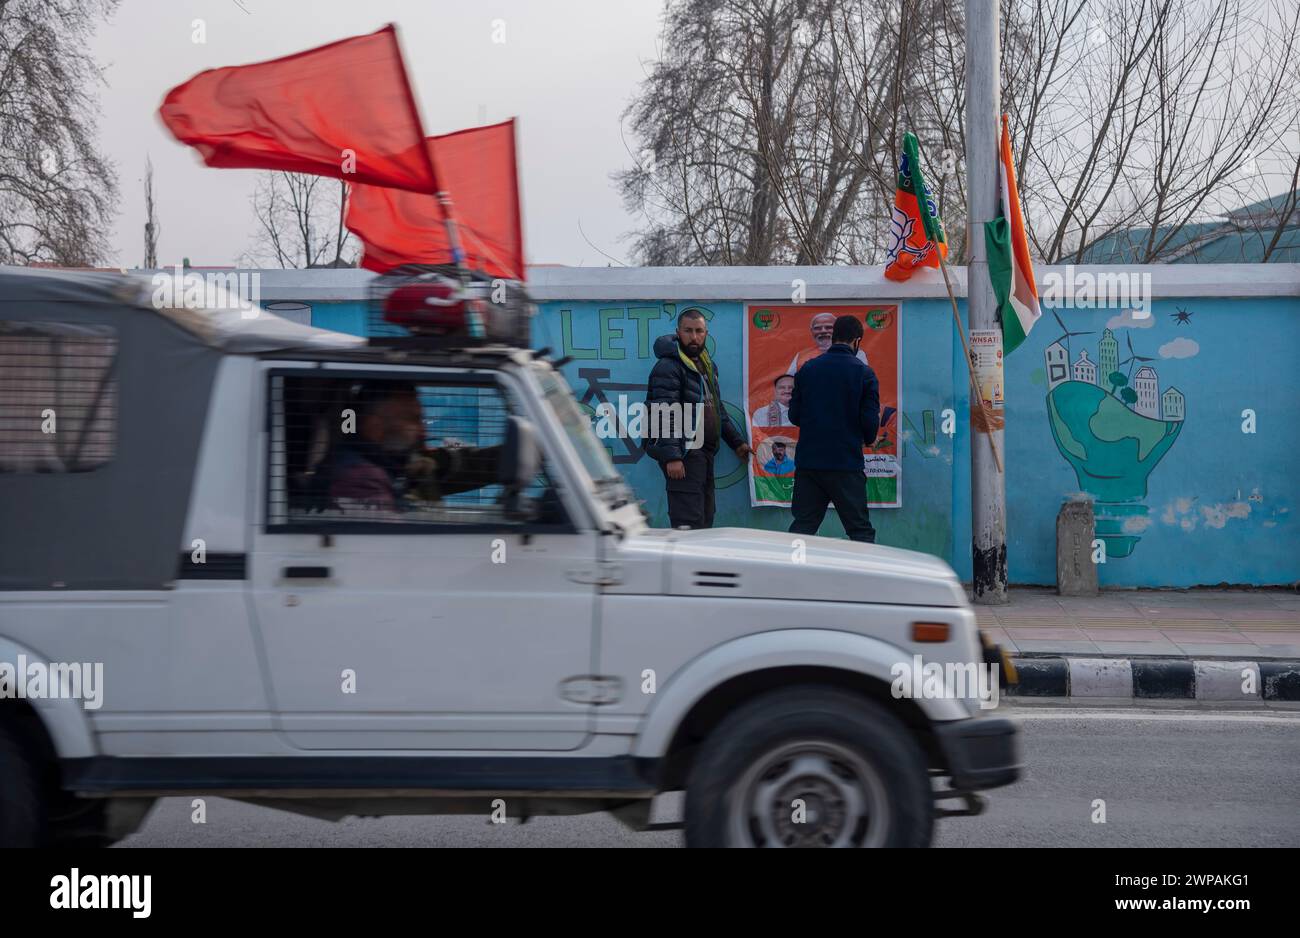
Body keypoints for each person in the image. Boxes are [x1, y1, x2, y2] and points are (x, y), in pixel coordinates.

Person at [646, 308, 752, 529]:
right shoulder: (669, 366)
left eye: (699, 331)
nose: (694, 337)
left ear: (706, 333)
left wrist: (737, 443)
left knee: (705, 517)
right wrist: (674, 456)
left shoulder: (706, 365)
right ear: (678, 332)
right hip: (685, 454)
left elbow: (717, 409)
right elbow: (664, 411)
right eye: (688, 331)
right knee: (688, 521)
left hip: (704, 453)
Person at [327, 382, 497, 513]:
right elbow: (397, 547)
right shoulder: (360, 479)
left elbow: (469, 464)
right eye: (412, 419)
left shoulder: (399, 465)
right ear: (375, 425)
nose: (423, 430)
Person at [787, 315, 880, 543]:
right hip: (845, 464)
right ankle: (864, 577)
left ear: (834, 336)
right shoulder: (864, 373)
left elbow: (794, 415)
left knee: (803, 527)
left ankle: (790, 575)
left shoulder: (807, 370)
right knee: (859, 530)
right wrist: (868, 438)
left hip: (810, 464)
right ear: (857, 341)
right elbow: (869, 420)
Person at [787, 311, 870, 375]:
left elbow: (862, 381)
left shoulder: (856, 354)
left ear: (838, 330)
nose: (823, 331)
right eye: (818, 328)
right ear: (811, 331)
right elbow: (789, 382)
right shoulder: (801, 356)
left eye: (829, 327)